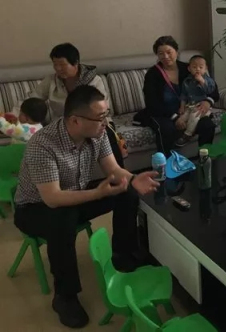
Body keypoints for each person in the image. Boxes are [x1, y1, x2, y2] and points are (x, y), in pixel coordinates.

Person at [13, 86, 160, 328]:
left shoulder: (99, 132)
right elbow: (53, 199)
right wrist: (98, 193)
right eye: (100, 117)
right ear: (75, 120)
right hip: (34, 208)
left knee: (126, 190)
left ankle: (124, 255)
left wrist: (133, 179)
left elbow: (113, 170)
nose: (105, 123)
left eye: (106, 115)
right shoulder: (43, 144)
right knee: (62, 218)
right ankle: (65, 296)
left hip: (75, 193)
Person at [18, 43, 125, 167]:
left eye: (62, 64)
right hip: (62, 124)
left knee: (107, 134)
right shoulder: (51, 81)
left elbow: (103, 109)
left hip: (92, 121)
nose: (58, 69)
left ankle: (119, 173)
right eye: (55, 64)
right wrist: (14, 116)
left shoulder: (93, 81)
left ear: (75, 63)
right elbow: (32, 99)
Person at [136, 36, 220, 156]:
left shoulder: (189, 68)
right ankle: (167, 164)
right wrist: (175, 117)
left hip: (189, 109)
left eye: (169, 52)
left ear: (177, 52)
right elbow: (152, 103)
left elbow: (212, 89)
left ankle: (204, 160)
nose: (165, 56)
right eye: (161, 53)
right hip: (163, 113)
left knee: (207, 125)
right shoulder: (153, 74)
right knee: (167, 129)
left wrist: (208, 101)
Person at [174, 55, 216, 147]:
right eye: (194, 67)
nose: (197, 69)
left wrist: (202, 82)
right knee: (182, 118)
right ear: (189, 69)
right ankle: (178, 137)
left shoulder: (208, 80)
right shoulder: (187, 81)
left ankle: (187, 135)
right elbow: (184, 95)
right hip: (189, 105)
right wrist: (182, 107)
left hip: (201, 107)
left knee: (194, 116)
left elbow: (210, 91)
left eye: (201, 67)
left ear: (205, 68)